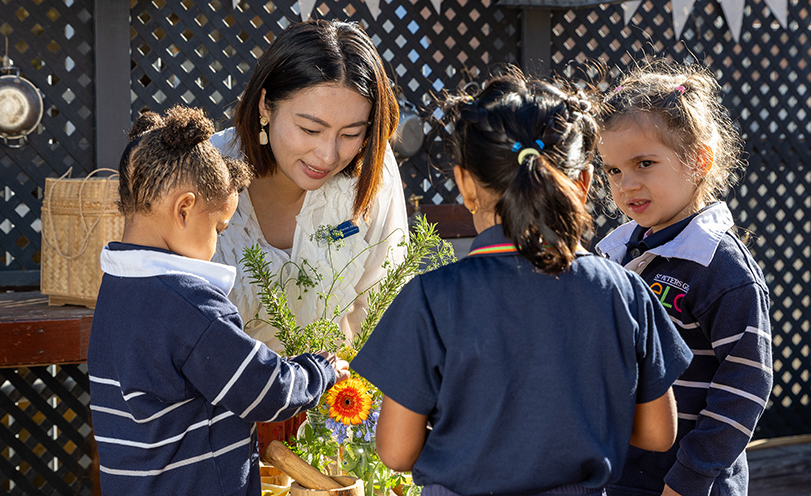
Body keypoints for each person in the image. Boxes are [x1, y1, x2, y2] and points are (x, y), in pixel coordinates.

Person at [351, 71, 694, 496]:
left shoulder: (431, 298)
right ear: (583, 183)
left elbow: (396, 453)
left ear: (465, 185)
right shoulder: (624, 291)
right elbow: (659, 433)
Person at [87, 106, 350, 496]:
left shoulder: (118, 286)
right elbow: (265, 392)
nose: (216, 245)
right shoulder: (188, 304)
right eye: (218, 227)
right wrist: (320, 370)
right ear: (184, 209)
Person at [595, 60, 773, 496]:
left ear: (699, 161)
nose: (626, 185)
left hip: (688, 484)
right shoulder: (616, 252)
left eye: (644, 163)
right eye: (614, 170)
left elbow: (747, 385)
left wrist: (688, 480)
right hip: (621, 474)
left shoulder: (721, 268)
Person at [211, 19, 408, 353]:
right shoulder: (203, 171)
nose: (328, 155)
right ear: (265, 105)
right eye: (310, 129)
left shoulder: (371, 168)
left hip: (340, 398)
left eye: (350, 134)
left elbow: (386, 310)